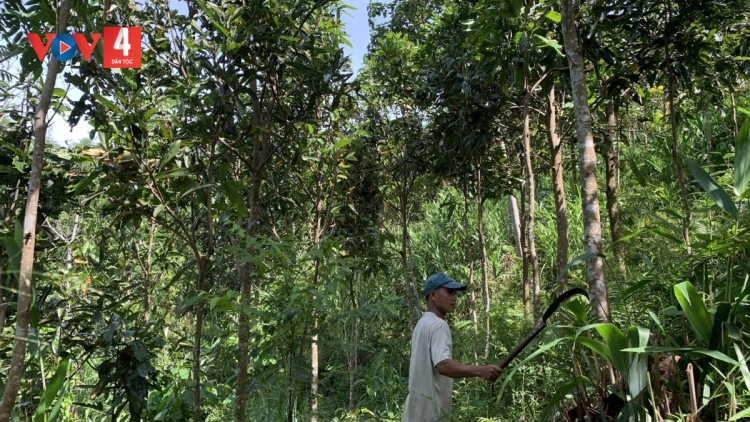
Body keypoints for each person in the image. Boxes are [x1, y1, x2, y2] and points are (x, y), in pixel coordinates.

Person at [402, 272, 503, 422]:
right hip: (431, 415)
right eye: (449, 292)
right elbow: (442, 365)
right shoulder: (438, 325)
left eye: (455, 293)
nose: (454, 297)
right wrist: (481, 370)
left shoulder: (423, 323)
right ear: (434, 295)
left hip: (414, 414)